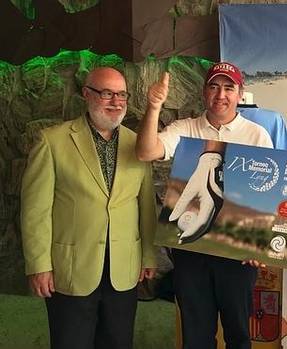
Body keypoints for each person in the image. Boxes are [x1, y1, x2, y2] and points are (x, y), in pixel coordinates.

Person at [136, 61, 273, 349]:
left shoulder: (256, 135)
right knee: (196, 335)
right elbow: (147, 151)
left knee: (238, 333)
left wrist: (258, 244)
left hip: (236, 254)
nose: (220, 94)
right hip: (191, 253)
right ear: (204, 92)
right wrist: (154, 107)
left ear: (239, 93)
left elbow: (264, 195)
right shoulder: (185, 128)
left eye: (228, 88)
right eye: (214, 86)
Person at [20, 67, 158, 349]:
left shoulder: (139, 143)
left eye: (122, 95)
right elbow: (35, 211)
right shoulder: (52, 141)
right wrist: (39, 265)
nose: (116, 101)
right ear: (86, 94)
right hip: (70, 269)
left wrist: (149, 256)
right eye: (107, 93)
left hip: (124, 268)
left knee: (118, 342)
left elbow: (146, 207)